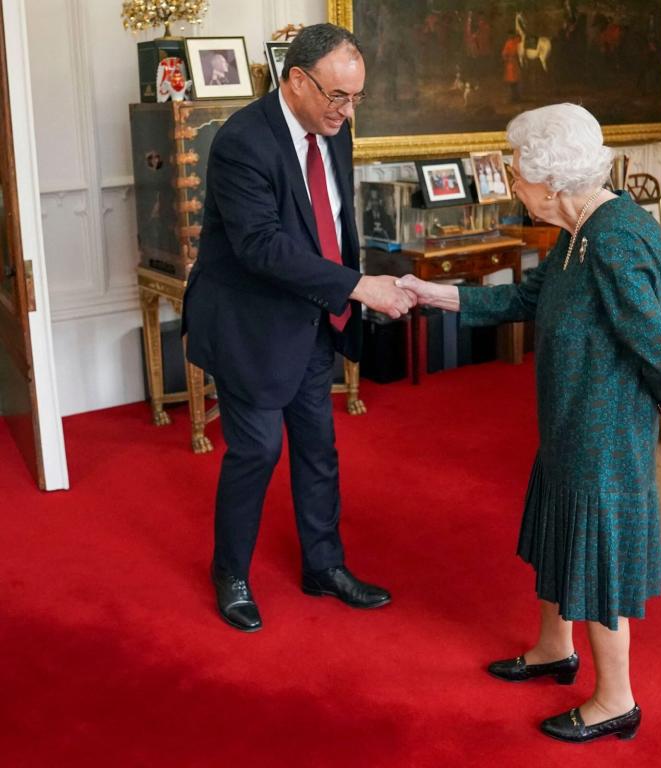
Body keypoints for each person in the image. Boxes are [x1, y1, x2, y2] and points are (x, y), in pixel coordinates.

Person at [398, 103, 661, 744]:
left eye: (516, 169)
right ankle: (553, 648)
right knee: (562, 529)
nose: (509, 178)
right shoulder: (577, 232)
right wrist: (432, 292)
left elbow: (652, 343)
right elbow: (524, 299)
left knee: (600, 554)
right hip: (571, 418)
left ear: (551, 181)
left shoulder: (615, 239)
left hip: (605, 429)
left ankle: (617, 700)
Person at [182, 24, 415, 633]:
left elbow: (333, 221)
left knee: (318, 449)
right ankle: (230, 573)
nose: (348, 109)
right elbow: (262, 246)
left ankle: (323, 566)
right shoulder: (241, 142)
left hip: (313, 316)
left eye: (356, 97)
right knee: (257, 450)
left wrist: (345, 290)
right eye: (337, 96)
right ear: (296, 80)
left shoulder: (335, 129)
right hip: (251, 323)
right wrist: (358, 287)